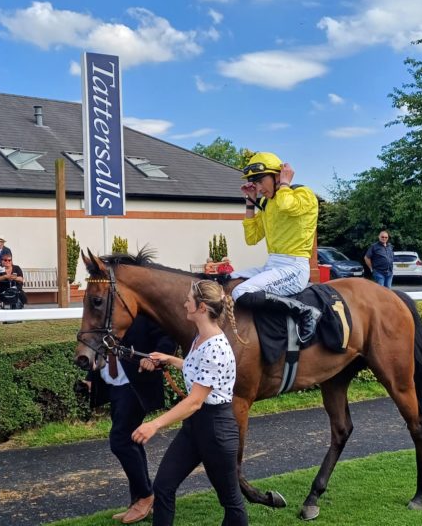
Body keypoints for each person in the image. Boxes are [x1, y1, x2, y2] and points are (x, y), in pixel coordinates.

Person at [132, 280, 247, 526]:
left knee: (231, 502)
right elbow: (199, 371)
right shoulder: (201, 338)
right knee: (163, 486)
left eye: (189, 300)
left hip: (217, 430)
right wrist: (170, 359)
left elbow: (195, 401)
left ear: (202, 308)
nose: (185, 303)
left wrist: (154, 425)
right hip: (196, 427)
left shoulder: (215, 346)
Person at [84, 315, 176, 524]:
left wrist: (154, 359)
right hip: (113, 386)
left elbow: (167, 339)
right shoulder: (103, 311)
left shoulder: (141, 311)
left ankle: (145, 496)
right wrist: (91, 378)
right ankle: (140, 499)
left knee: (120, 440)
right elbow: (96, 344)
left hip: (135, 386)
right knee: (131, 440)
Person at [232, 151, 321, 341]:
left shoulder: (303, 194)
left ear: (276, 176)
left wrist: (284, 183)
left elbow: (287, 206)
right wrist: (250, 202)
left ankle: (306, 312)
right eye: (253, 183)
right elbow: (252, 238)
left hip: (294, 268)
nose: (258, 188)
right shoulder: (268, 204)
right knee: (230, 278)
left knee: (241, 291)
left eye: (259, 181)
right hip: (272, 265)